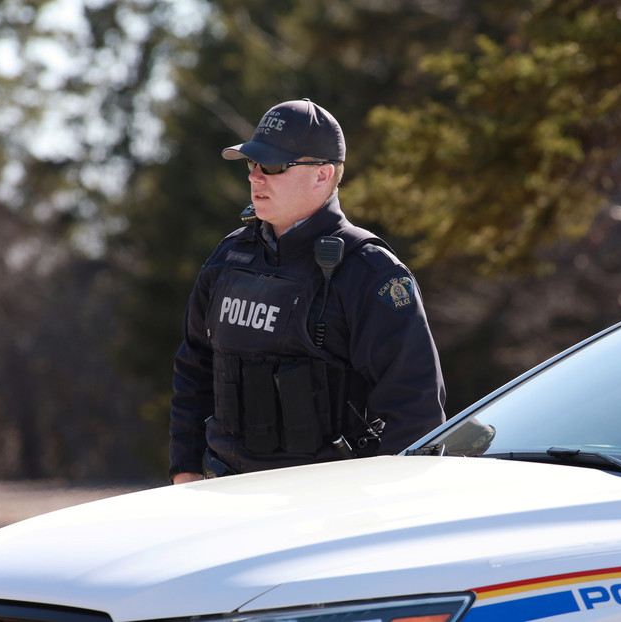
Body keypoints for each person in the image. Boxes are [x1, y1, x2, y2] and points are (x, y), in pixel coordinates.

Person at [168, 98, 446, 484]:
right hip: (224, 493)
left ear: (322, 174)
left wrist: (376, 509)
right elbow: (194, 368)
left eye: (273, 165)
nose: (255, 177)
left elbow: (414, 411)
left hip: (325, 507)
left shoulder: (369, 272)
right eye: (252, 164)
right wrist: (185, 469)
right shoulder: (229, 257)